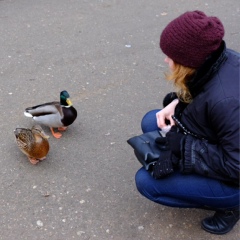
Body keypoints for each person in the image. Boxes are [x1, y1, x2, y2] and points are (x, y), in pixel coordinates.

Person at [134, 10, 239, 235]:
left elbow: (236, 166)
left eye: (171, 56)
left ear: (188, 61)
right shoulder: (220, 57)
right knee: (150, 122)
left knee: (146, 182)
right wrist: (177, 103)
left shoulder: (226, 102)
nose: (166, 59)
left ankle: (230, 206)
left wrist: (182, 146)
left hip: (236, 175)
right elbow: (204, 89)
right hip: (221, 137)